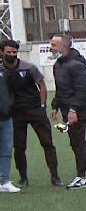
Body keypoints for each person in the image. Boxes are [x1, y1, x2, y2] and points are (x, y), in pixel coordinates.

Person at [49, 34, 86, 189]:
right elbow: (60, 89)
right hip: (66, 109)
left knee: (77, 142)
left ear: (64, 46)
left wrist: (73, 109)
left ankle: (81, 177)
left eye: (54, 45)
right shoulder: (58, 64)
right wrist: (55, 105)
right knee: (79, 140)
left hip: (79, 110)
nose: (51, 47)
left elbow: (82, 89)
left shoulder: (76, 64)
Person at [3, 40, 61, 188]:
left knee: (47, 143)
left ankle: (55, 176)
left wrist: (42, 105)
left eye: (14, 52)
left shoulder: (29, 67)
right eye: (8, 52)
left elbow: (41, 84)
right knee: (19, 147)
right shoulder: (2, 70)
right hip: (15, 114)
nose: (12, 55)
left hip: (36, 110)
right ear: (2, 52)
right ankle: (23, 178)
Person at [0, 52, 15, 193]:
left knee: (6, 150)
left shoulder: (4, 72)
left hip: (6, 118)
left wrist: (10, 106)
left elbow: (10, 92)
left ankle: (4, 181)